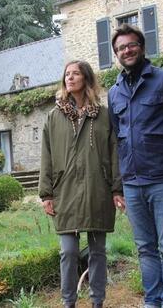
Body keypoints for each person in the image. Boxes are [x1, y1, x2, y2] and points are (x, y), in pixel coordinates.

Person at [107, 24, 163, 308]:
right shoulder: (114, 92)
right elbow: (116, 138)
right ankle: (152, 300)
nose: (127, 50)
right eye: (121, 48)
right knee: (145, 248)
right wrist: (119, 185)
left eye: (131, 45)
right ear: (116, 54)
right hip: (132, 183)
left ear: (142, 47)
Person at [39, 60, 125, 308]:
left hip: (97, 189)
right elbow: (46, 155)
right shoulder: (53, 117)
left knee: (98, 252)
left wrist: (116, 188)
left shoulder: (103, 115)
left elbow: (114, 151)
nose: (70, 77)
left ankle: (97, 301)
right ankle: (69, 302)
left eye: (75, 73)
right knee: (68, 252)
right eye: (67, 74)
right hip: (64, 191)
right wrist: (46, 194)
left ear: (86, 79)